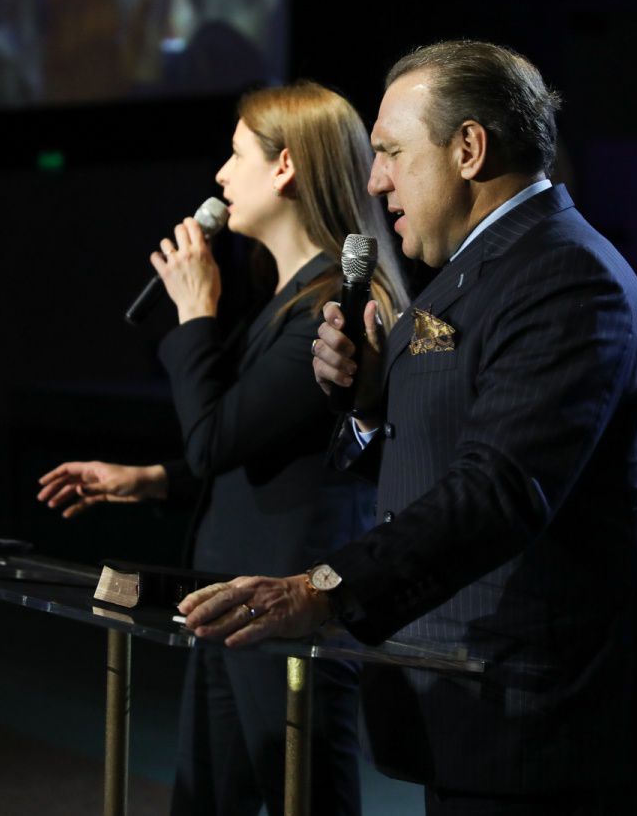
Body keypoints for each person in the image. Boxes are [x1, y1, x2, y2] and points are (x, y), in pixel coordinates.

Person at [178, 41, 637, 815]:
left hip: (547, 731)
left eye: (391, 152)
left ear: (468, 150)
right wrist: (367, 407)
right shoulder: (472, 272)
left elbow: (498, 492)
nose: (374, 179)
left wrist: (322, 588)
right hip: (475, 708)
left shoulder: (568, 279)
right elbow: (425, 466)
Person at [37, 81, 406, 816]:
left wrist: (195, 312)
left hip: (287, 600)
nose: (219, 175)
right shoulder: (285, 298)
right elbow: (250, 446)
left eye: (236, 155)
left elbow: (212, 440)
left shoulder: (330, 307)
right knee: (206, 798)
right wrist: (148, 479)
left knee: (305, 799)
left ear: (285, 167)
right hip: (229, 594)